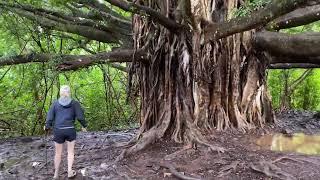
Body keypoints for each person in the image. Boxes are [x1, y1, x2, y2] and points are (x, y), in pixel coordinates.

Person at [45, 85, 87, 179]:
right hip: (70, 130)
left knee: (58, 153)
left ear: (60, 92)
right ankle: (69, 171)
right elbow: (80, 117)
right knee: (70, 152)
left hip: (58, 130)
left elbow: (50, 117)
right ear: (69, 92)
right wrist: (84, 125)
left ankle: (56, 174)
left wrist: (47, 126)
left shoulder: (55, 103)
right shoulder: (74, 103)